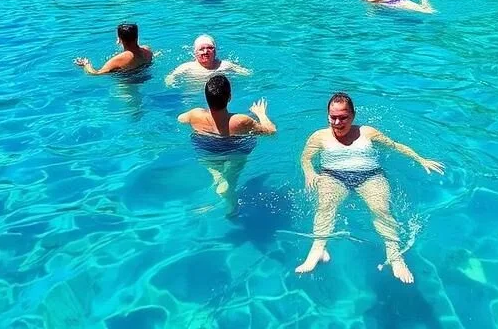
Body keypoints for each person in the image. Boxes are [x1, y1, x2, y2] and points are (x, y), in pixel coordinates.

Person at [296, 92, 445, 284]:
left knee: (382, 210)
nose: (337, 122)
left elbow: (395, 146)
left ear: (353, 116)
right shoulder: (319, 137)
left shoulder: (367, 133)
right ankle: (318, 249)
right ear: (327, 116)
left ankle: (394, 256)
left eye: (343, 117)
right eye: (333, 117)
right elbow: (306, 158)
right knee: (325, 207)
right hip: (333, 176)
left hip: (370, 176)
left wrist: (420, 159)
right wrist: (309, 173)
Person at [178, 75, 276, 204]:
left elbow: (180, 119)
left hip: (206, 147)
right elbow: (271, 132)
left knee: (211, 164)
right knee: (234, 170)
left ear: (206, 97)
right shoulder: (241, 121)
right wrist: (261, 114)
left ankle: (217, 176)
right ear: (229, 97)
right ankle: (229, 188)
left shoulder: (195, 115)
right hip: (233, 150)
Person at [165, 35, 249, 86]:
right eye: (201, 49)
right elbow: (169, 79)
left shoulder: (224, 66)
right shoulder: (186, 68)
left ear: (215, 51)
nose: (205, 52)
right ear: (195, 53)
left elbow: (247, 74)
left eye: (210, 48)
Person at [74, 23, 153, 75]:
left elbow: (95, 73)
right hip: (146, 78)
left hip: (127, 85)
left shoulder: (118, 59)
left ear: (119, 40)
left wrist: (86, 64)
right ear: (137, 37)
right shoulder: (147, 50)